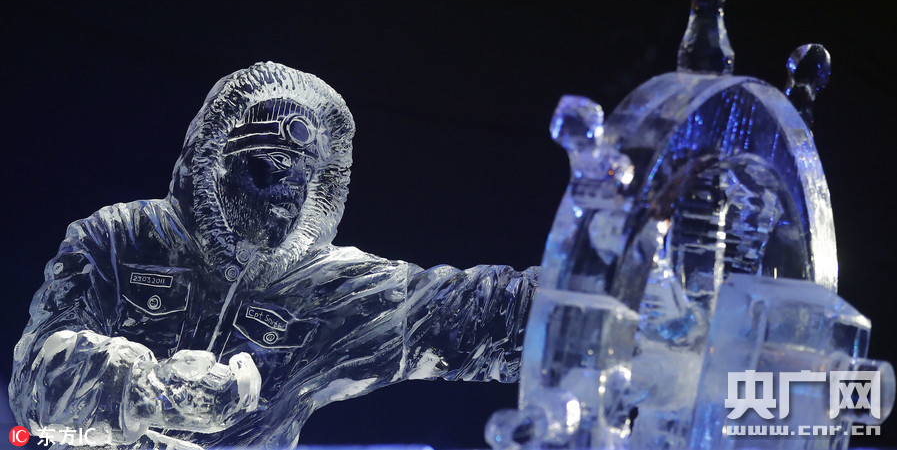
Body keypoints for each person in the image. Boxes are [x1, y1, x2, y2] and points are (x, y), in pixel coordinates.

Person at [10, 62, 538, 449]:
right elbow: (36, 383)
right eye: (267, 169)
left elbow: (475, 314)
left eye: (306, 181)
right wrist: (156, 390)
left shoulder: (329, 288)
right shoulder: (119, 238)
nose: (288, 199)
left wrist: (598, 288)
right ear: (213, 163)